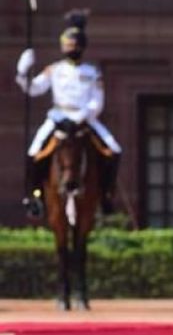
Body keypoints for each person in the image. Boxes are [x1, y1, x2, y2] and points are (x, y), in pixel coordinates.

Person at [16, 11, 122, 217]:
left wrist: (83, 115)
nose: (70, 48)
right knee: (33, 153)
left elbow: (97, 102)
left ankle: (106, 196)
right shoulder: (54, 70)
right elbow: (33, 88)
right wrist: (22, 71)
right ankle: (34, 196)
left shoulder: (93, 73)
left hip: (85, 119)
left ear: (81, 46)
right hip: (58, 118)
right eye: (67, 44)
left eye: (73, 44)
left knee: (114, 151)